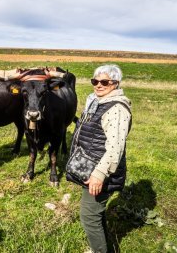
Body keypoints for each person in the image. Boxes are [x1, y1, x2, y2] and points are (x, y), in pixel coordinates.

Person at [67, 64, 132, 252]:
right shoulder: (97, 102)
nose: (98, 85)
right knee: (96, 214)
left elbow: (115, 147)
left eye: (104, 82)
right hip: (93, 167)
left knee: (89, 217)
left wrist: (99, 174)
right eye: (95, 81)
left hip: (101, 171)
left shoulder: (116, 109)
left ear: (115, 83)